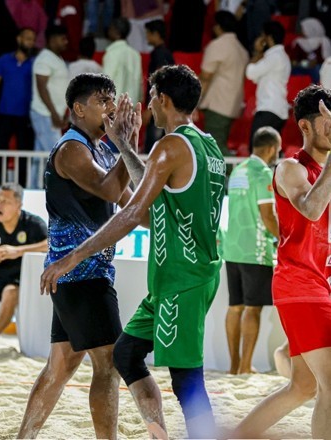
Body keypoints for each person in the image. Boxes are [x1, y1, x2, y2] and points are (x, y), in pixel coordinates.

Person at [41, 65, 225, 439]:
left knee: (186, 378)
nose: (147, 106)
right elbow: (148, 199)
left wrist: (72, 256)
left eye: (152, 98)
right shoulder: (210, 147)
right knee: (123, 355)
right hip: (179, 276)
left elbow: (131, 211)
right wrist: (125, 145)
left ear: (164, 100)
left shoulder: (171, 146)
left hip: (182, 277)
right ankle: (159, 435)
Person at [19, 73, 137, 439]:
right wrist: (125, 142)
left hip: (79, 272)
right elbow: (109, 190)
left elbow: (133, 206)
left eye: (113, 100)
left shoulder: (100, 149)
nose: (111, 107)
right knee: (109, 364)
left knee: (60, 367)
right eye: (103, 101)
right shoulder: (71, 148)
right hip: (80, 273)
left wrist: (128, 147)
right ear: (79, 109)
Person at [232, 86, 331, 440]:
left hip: (318, 283)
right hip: (298, 282)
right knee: (329, 386)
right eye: (329, 124)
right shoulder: (290, 168)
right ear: (305, 126)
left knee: (302, 386)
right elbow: (312, 209)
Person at [222, 126, 280, 375]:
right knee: (253, 308)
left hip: (232, 247)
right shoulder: (263, 172)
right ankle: (245, 366)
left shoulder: (239, 170)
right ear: (271, 148)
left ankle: (234, 366)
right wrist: (282, 239)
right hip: (255, 250)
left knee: (235, 306)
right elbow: (268, 215)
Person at [0, 183, 47, 354]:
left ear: (19, 205)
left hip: (17, 281)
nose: (0, 204)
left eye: (6, 201)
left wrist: (18, 251)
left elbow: (50, 244)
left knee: (10, 293)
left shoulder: (33, 224)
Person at [0, 27, 37, 187]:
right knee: (1, 149)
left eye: (33, 40)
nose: (30, 42)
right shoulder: (4, 60)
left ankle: (22, 186)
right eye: (28, 38)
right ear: (19, 39)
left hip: (25, 114)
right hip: (5, 113)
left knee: (24, 151)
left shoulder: (34, 63)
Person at [199, 11, 249, 156]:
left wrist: (195, 101)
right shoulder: (242, 50)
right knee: (218, 143)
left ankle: (235, 169)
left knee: (215, 147)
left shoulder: (218, 45)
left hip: (217, 103)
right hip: (233, 104)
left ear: (218, 27)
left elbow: (205, 77)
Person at [30, 24, 70, 188]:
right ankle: (57, 189)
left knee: (40, 155)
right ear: (52, 39)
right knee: (55, 154)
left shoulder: (56, 58)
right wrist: (54, 113)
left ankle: (33, 188)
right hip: (44, 114)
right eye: (63, 39)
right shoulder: (44, 58)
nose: (66, 42)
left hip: (51, 114)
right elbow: (42, 87)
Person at [246, 21, 291, 150]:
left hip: (269, 109)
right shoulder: (281, 56)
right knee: (268, 151)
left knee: (256, 150)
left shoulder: (274, 57)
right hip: (276, 109)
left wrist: (256, 50)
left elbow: (250, 73)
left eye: (262, 35)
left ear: (268, 38)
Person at [143, 19, 174, 151]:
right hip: (162, 105)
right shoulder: (165, 53)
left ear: (155, 34)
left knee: (152, 148)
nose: (146, 36)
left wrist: (150, 109)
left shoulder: (160, 54)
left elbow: (160, 82)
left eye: (148, 33)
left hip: (159, 106)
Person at [103, 18, 143, 105]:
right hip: (131, 105)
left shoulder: (112, 53)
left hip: (114, 106)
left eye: (111, 29)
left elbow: (106, 80)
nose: (108, 31)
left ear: (117, 32)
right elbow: (139, 82)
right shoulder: (135, 54)